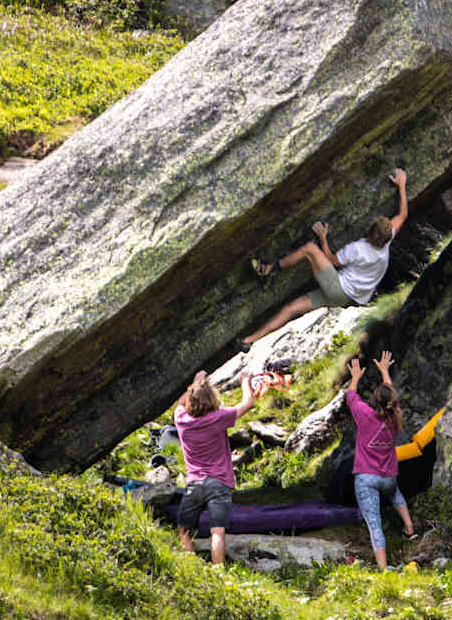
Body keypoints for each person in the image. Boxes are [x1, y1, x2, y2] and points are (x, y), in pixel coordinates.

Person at [240, 169, 407, 349]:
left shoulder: (358, 249)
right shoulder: (385, 243)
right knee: (292, 307)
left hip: (338, 288)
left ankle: (268, 271)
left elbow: (331, 260)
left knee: (310, 250)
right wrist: (402, 186)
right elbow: (402, 215)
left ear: (369, 232)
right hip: (346, 298)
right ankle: (247, 342)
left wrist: (323, 237)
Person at [175, 369, 263, 565]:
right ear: (212, 400)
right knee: (217, 532)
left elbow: (179, 404)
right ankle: (218, 572)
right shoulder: (218, 418)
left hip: (194, 484)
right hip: (219, 483)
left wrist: (195, 383)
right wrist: (245, 382)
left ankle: (191, 569)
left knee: (184, 531)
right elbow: (248, 403)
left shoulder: (182, 420)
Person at [347, 351, 415, 569]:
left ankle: (384, 569)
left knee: (374, 524)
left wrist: (355, 377)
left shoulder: (365, 414)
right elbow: (392, 398)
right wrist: (385, 372)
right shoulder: (395, 417)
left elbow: (350, 396)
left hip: (367, 479)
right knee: (395, 493)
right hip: (389, 479)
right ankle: (409, 525)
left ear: (373, 401)